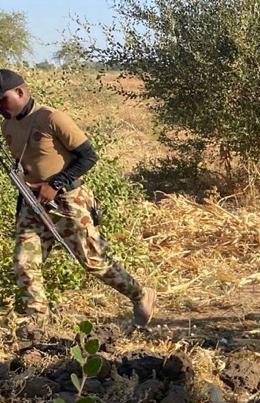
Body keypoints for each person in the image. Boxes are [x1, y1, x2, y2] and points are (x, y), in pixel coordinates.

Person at [0, 69, 155, 340]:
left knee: (93, 261)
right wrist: (22, 208)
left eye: (1, 100)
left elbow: (88, 157)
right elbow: (23, 168)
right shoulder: (8, 126)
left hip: (68, 201)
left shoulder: (52, 118)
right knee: (24, 261)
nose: (0, 107)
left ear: (20, 92)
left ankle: (140, 294)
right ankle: (38, 322)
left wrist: (56, 183)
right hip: (33, 203)